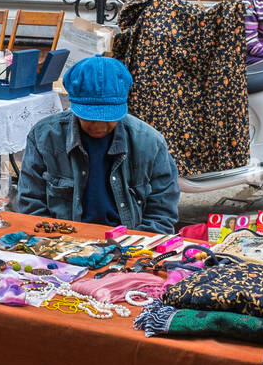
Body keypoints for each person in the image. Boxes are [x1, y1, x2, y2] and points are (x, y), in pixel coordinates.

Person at [17, 56, 180, 235]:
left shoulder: (150, 142)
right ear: (74, 106)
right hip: (62, 242)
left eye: (109, 118)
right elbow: (31, 206)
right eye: (91, 117)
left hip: (129, 243)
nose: (100, 126)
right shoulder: (43, 136)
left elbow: (161, 215)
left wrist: (133, 248)